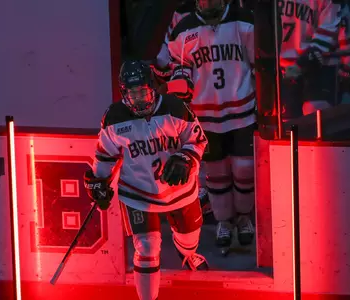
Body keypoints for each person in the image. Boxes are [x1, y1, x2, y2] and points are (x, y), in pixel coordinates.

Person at [83, 60, 209, 300]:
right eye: (132, 93)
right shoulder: (114, 117)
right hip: (137, 193)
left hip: (180, 191)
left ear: (152, 87)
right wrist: (98, 181)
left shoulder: (176, 108)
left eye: (142, 91)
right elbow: (105, 155)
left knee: (189, 239)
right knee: (146, 248)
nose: (138, 98)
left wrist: (185, 157)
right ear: (124, 92)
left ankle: (188, 253)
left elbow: (198, 140)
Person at [166, 0, 256, 251]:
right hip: (205, 115)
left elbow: (257, 62)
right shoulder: (183, 28)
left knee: (244, 169)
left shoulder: (244, 20)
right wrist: (180, 85)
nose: (209, 3)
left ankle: (244, 216)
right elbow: (176, 67)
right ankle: (223, 221)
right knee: (216, 173)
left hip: (242, 111)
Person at [280, 0, 342, 118]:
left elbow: (328, 29)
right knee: (287, 127)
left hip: (319, 67)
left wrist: (302, 63)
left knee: (316, 123)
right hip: (282, 71)